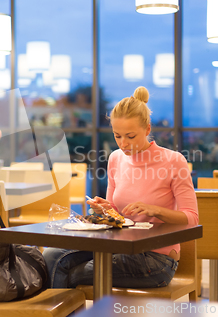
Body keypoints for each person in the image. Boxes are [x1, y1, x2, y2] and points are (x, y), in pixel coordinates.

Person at [43, 86, 198, 289]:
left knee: (65, 273)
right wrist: (104, 209)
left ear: (148, 129)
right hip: (118, 246)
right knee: (51, 256)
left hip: (156, 259)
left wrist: (155, 211)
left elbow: (192, 219)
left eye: (130, 136)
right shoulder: (116, 158)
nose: (123, 144)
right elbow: (117, 216)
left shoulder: (173, 161)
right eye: (117, 136)